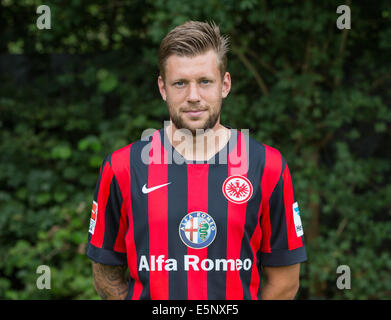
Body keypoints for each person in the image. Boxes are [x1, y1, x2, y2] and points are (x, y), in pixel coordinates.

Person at [86, 20, 307, 300]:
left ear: (224, 85)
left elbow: (285, 281)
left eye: (205, 82)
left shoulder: (268, 167)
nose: (193, 96)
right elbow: (105, 269)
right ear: (163, 88)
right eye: (180, 83)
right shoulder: (121, 168)